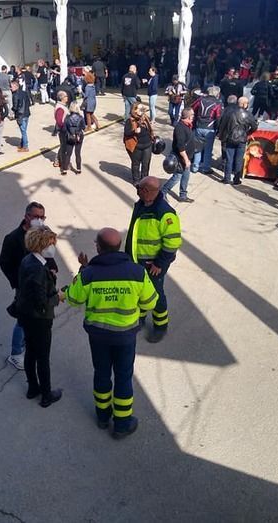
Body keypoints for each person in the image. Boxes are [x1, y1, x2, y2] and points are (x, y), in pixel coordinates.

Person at [65, 227, 157, 438]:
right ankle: (122, 424)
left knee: (101, 373)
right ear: (119, 247)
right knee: (123, 377)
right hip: (125, 337)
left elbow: (73, 299)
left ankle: (102, 417)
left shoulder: (89, 274)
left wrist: (82, 272)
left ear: (98, 248)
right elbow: (150, 302)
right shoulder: (137, 272)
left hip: (98, 337)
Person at [125, 176, 182, 343]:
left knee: (156, 295)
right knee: (139, 292)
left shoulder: (165, 213)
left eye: (139, 188)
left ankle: (160, 327)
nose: (136, 190)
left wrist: (160, 263)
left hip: (153, 265)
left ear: (146, 191)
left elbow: (173, 242)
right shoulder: (141, 204)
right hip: (137, 260)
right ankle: (140, 319)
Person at [0, 202, 52, 370]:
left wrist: (52, 269)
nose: (40, 220)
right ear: (26, 216)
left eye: (42, 217)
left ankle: (27, 343)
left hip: (40, 282)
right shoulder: (13, 238)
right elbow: (5, 263)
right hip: (24, 286)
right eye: (36, 216)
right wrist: (18, 282)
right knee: (23, 320)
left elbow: (48, 254)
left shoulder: (42, 232)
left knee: (33, 317)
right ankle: (16, 353)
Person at [15, 226, 63, 407]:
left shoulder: (28, 260)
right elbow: (42, 301)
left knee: (31, 352)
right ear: (41, 245)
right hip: (39, 319)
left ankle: (32, 388)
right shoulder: (38, 269)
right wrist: (58, 297)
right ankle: (46, 395)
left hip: (26, 314)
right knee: (43, 357)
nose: (53, 247)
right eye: (50, 244)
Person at [217, 96, 258, 185]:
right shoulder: (248, 114)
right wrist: (247, 133)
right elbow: (254, 126)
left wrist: (221, 135)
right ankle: (236, 179)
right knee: (238, 160)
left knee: (229, 159)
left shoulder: (230, 113)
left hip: (230, 138)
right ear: (244, 104)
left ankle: (227, 178)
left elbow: (223, 124)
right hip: (242, 139)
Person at [162, 107, 196, 202]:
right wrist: (186, 160)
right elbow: (180, 147)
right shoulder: (180, 128)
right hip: (180, 158)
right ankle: (163, 192)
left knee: (186, 176)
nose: (194, 117)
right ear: (188, 117)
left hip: (187, 158)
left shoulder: (188, 125)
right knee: (177, 177)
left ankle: (183, 195)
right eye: (192, 115)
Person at [190, 86, 222, 175]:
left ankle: (195, 167)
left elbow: (192, 108)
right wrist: (218, 129)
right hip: (210, 128)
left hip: (199, 126)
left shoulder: (200, 100)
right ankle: (205, 167)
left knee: (198, 147)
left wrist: (195, 119)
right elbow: (218, 117)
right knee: (208, 149)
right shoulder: (217, 103)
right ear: (217, 94)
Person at [123, 102, 153, 185]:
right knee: (136, 164)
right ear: (134, 110)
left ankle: (144, 180)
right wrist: (134, 131)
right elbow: (126, 133)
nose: (142, 110)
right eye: (140, 109)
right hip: (137, 146)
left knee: (146, 164)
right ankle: (136, 180)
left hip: (147, 145)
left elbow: (150, 130)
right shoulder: (130, 120)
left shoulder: (145, 118)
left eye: (142, 109)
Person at [61, 101, 86, 175]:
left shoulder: (67, 118)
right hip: (79, 136)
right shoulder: (81, 118)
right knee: (77, 153)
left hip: (70, 137)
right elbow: (84, 128)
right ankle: (78, 169)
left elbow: (64, 128)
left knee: (68, 154)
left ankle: (64, 170)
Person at [11, 80, 31, 152]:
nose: (11, 88)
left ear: (16, 86)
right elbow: (29, 102)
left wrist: (12, 110)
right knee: (24, 130)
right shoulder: (24, 93)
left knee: (23, 131)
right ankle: (23, 144)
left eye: (12, 87)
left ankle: (25, 146)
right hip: (26, 113)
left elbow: (15, 107)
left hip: (20, 115)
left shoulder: (15, 95)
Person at [53, 90, 69, 169]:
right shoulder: (60, 108)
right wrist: (65, 127)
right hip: (63, 130)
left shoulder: (62, 106)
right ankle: (60, 161)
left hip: (63, 129)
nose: (67, 97)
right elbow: (59, 122)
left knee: (63, 146)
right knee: (64, 147)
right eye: (66, 96)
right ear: (62, 98)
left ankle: (58, 160)